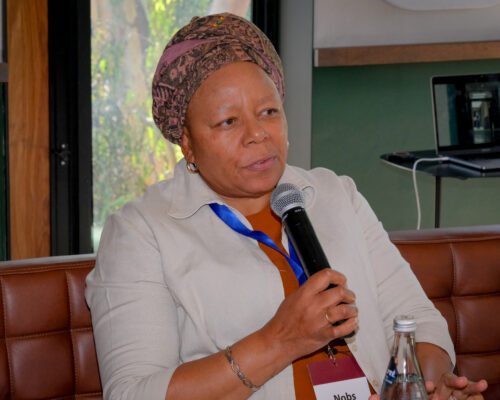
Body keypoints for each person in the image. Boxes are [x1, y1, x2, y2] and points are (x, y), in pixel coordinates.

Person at [85, 13, 488, 400]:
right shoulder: (141, 232)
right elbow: (133, 393)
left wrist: (425, 386)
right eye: (228, 122)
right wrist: (280, 341)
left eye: (269, 112)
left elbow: (416, 320)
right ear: (186, 142)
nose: (258, 134)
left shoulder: (335, 194)